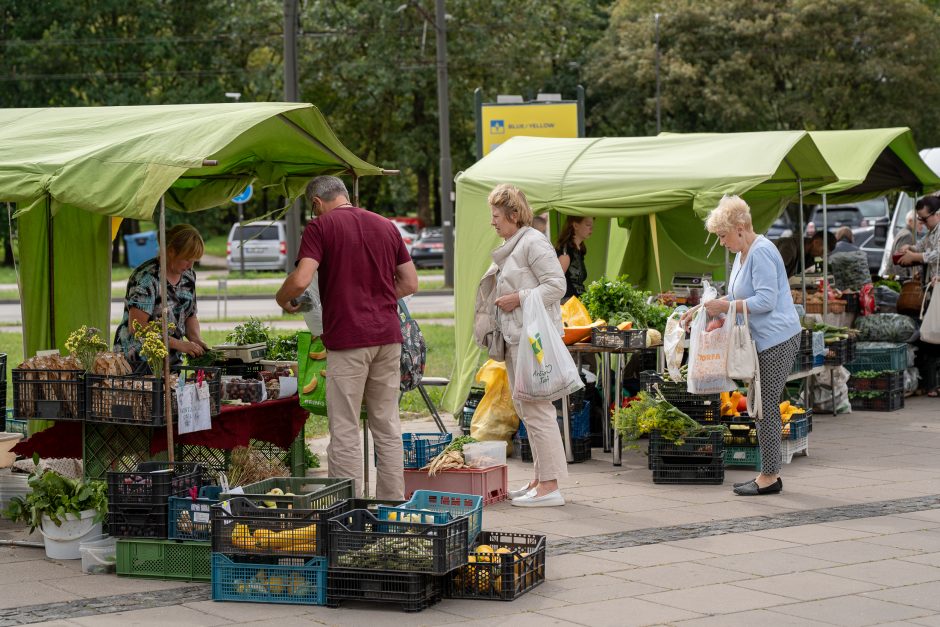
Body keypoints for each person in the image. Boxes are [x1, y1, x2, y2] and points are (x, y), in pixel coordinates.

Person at [276, 176, 418, 499]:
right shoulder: (385, 225)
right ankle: (392, 507)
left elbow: (300, 280)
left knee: (345, 428)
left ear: (316, 204)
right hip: (388, 338)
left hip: (348, 341)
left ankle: (349, 510)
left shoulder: (320, 228)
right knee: (387, 425)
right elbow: (410, 282)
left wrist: (281, 297)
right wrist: (378, 296)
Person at [694, 195, 802, 496]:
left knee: (765, 406)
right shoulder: (744, 254)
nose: (722, 242)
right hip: (764, 340)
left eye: (723, 235)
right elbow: (740, 296)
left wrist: (725, 307)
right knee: (759, 407)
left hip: (777, 338)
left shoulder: (761, 252)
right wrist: (710, 307)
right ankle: (768, 473)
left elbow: (765, 301)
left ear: (740, 227)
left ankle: (769, 477)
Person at [475, 183, 568, 507]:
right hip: (520, 339)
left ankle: (550, 486)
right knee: (529, 408)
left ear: (514, 214)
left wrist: (520, 298)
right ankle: (540, 480)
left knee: (537, 408)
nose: (493, 221)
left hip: (533, 341)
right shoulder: (516, 244)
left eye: (496, 215)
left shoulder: (532, 242)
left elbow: (557, 285)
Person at [113, 224, 208, 368]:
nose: (190, 265)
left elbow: (190, 316)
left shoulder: (188, 277)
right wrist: (178, 344)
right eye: (187, 259)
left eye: (194, 260)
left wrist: (196, 341)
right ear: (170, 251)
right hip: (138, 362)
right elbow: (137, 326)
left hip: (171, 363)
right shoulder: (147, 278)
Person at [899, 196, 940, 284]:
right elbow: (920, 246)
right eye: (920, 219)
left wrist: (914, 256)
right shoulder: (931, 231)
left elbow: (938, 253)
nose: (923, 223)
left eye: (924, 219)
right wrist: (909, 247)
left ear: (938, 214)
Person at [555, 216, 594, 302]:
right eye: (588, 224)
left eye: (592, 224)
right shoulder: (565, 252)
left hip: (578, 302)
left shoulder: (579, 250)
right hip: (568, 305)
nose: (592, 228)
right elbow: (555, 283)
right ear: (575, 225)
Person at [891, 210, 919, 278]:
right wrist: (904, 280)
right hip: (897, 278)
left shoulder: (904, 232)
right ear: (910, 221)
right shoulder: (907, 235)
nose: (922, 225)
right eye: (920, 223)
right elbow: (899, 261)